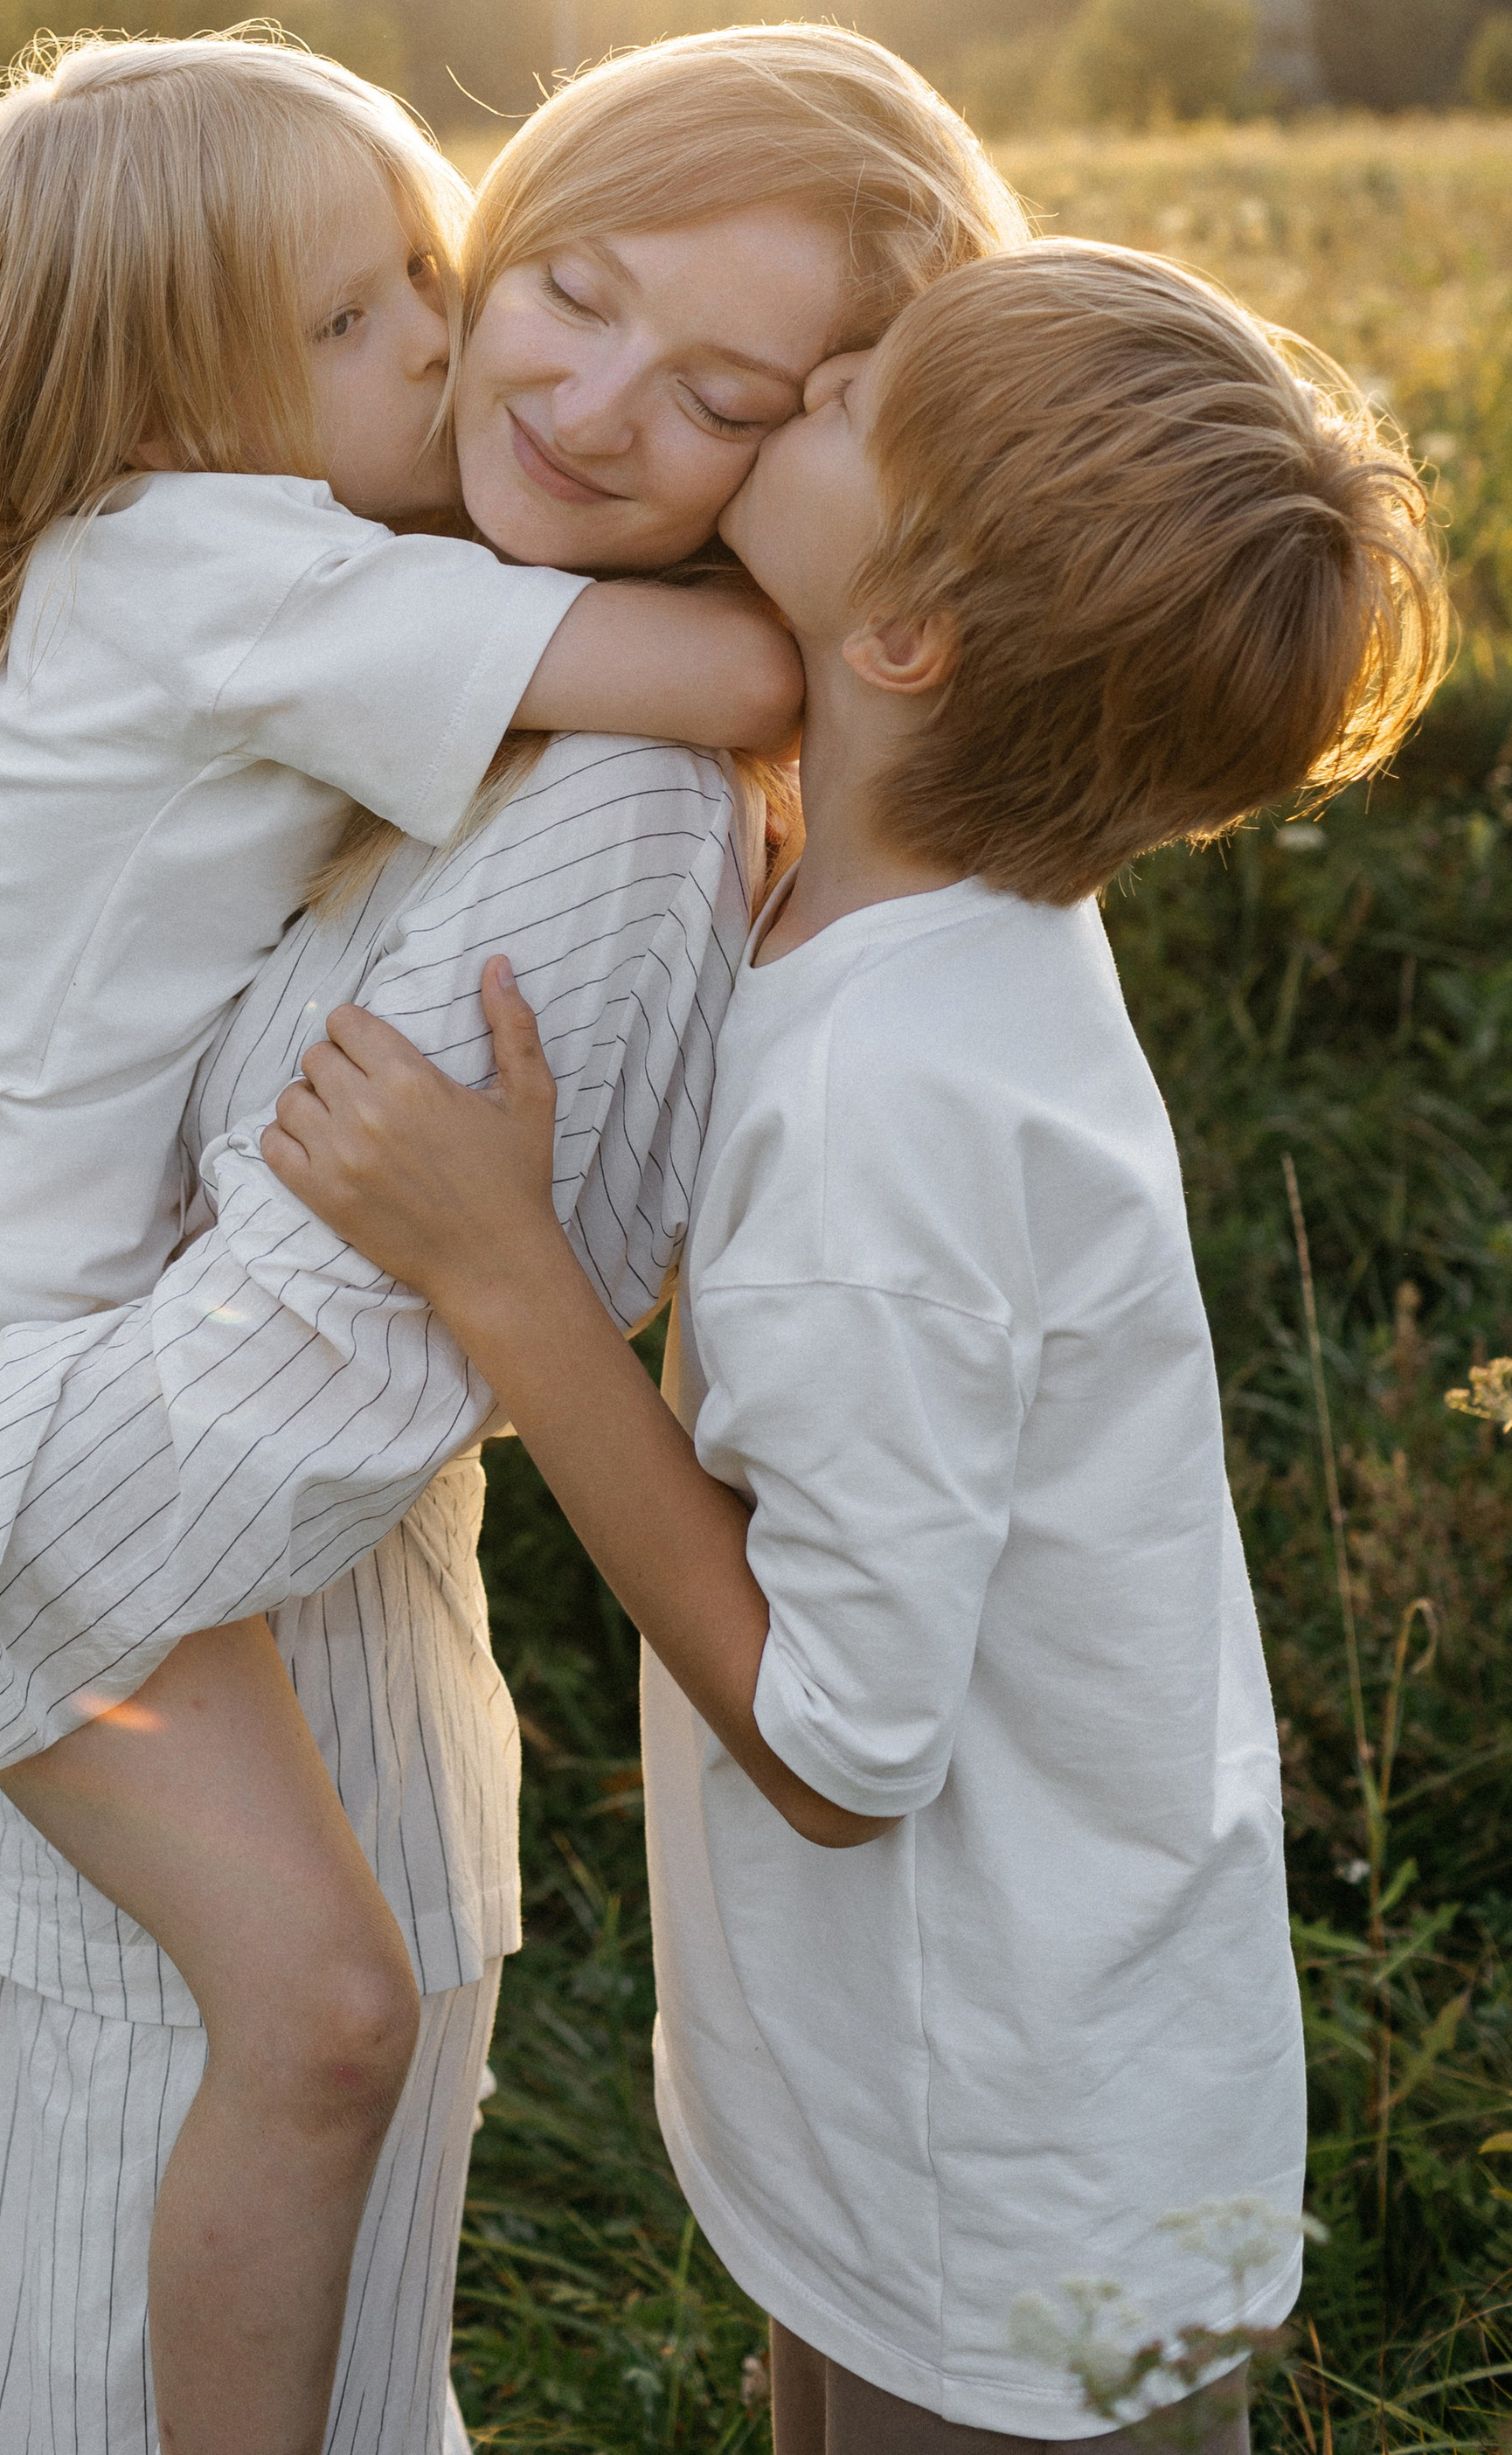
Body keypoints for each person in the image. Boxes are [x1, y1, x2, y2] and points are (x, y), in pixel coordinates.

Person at [0, 24, 1030, 2452]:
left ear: (857, 433)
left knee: (312, 2027)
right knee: (300, 2039)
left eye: (731, 390)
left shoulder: (561, 771)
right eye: (539, 283)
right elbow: (744, 665)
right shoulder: (291, 589)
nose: (516, 372)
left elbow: (284, 1366)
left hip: (50, 1541)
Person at [258, 239, 1446, 2452]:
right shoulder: (942, 934)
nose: (797, 384)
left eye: (842, 402)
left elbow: (834, 1741)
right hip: (989, 2102)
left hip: (1002, 2205)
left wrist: (502, 1275)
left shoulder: (886, 1103)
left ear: (901, 635)